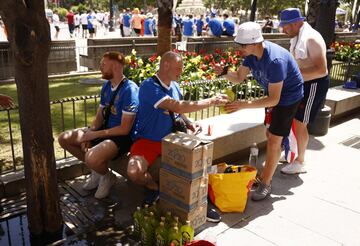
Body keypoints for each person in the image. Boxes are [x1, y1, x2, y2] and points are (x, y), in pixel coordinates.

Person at [127, 51, 228, 221]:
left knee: (197, 166)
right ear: (165, 65)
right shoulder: (148, 86)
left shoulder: (174, 85)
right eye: (178, 68)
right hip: (148, 140)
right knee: (134, 172)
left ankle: (200, 204)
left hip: (173, 139)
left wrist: (189, 122)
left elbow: (177, 111)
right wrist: (211, 101)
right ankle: (154, 189)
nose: (181, 71)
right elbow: (177, 106)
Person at [215, 22, 304, 201]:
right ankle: (276, 154)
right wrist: (224, 72)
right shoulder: (251, 55)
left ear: (256, 42)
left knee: (273, 140)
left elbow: (275, 100)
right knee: (270, 134)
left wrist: (243, 104)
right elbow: (239, 78)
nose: (240, 48)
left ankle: (265, 183)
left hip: (288, 98)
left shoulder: (275, 61)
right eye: (239, 44)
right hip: (274, 95)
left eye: (243, 45)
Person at [58, 52, 139, 199]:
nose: (100, 67)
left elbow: (124, 129)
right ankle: (100, 172)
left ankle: (107, 177)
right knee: (64, 138)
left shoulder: (130, 90)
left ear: (115, 66)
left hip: (122, 137)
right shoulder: (107, 86)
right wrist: (90, 132)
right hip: (105, 131)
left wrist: (94, 135)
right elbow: (100, 115)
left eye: (103, 64)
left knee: (91, 157)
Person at [279, 8, 329, 174]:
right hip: (303, 83)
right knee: (293, 119)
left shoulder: (311, 39)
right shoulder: (298, 36)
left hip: (314, 85)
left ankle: (300, 161)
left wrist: (294, 78)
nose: (283, 30)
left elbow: (322, 70)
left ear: (295, 23)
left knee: (301, 123)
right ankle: (291, 152)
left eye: (285, 26)